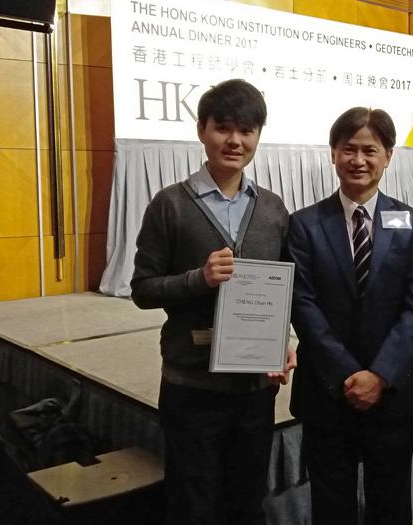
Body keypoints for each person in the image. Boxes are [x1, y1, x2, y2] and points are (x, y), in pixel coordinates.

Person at [130, 79, 295, 525]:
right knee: (192, 505)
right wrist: (197, 279)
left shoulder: (274, 210)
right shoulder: (170, 206)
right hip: (191, 386)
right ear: (202, 130)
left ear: (258, 135)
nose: (235, 141)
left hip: (255, 390)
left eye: (246, 130)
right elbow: (142, 289)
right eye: (223, 128)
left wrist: (285, 342)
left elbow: (283, 293)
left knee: (247, 503)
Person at [286, 107, 413, 525]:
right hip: (326, 392)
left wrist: (381, 374)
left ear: (388, 156)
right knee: (331, 506)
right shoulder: (304, 225)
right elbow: (303, 305)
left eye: (370, 150)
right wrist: (349, 373)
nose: (358, 160)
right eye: (348, 149)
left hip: (391, 394)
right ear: (333, 154)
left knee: (391, 505)